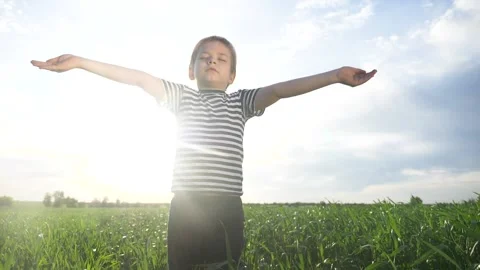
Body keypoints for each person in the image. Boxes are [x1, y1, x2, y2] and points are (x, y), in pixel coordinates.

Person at [31, 35, 376, 269]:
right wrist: (79, 62)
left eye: (221, 59)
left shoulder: (242, 103)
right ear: (191, 70)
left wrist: (334, 75)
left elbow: (281, 90)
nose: (212, 62)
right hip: (185, 205)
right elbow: (138, 78)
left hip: (226, 207)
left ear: (232, 75)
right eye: (204, 58)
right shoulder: (181, 97)